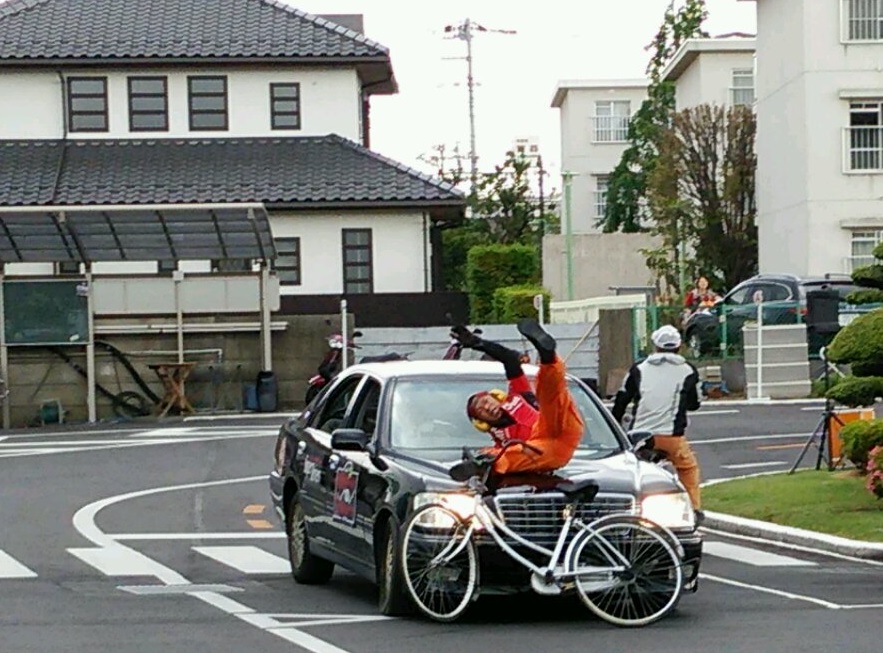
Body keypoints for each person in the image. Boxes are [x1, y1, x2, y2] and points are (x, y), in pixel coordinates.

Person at [449, 318, 584, 478]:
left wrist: (477, 343)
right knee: (509, 455)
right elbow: (504, 454)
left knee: (551, 396)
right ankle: (482, 465)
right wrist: (482, 459)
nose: (486, 407)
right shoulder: (501, 442)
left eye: (485, 401)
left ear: (496, 396)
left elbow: (509, 359)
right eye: (480, 410)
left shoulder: (517, 394)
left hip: (558, 425)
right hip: (543, 451)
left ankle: (548, 357)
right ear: (481, 423)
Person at [611, 324, 704, 520]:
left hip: (640, 436)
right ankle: (694, 509)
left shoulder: (638, 369)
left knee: (632, 471)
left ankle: (629, 510)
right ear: (679, 347)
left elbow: (621, 399)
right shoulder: (688, 370)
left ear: (655, 346)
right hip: (672, 436)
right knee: (688, 468)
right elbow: (694, 404)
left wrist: (616, 422)